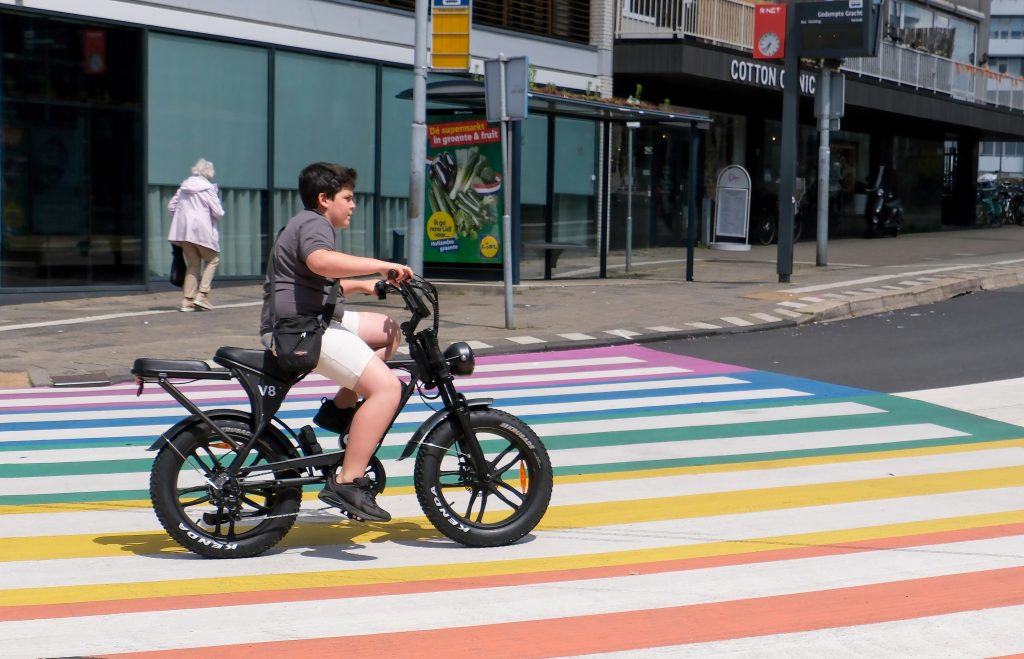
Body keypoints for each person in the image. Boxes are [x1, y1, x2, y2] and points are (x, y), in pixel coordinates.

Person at [260, 162, 413, 522]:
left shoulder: (307, 223)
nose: (353, 204)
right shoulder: (314, 224)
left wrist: (364, 286)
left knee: (388, 329)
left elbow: (316, 281)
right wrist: (380, 265)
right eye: (348, 198)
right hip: (300, 330)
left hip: (313, 320)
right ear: (324, 199)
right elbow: (321, 262)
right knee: (388, 389)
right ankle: (348, 480)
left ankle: (341, 412)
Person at [167, 158, 225, 312]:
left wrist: (182, 218)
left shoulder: (184, 187)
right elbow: (218, 212)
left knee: (193, 263)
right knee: (213, 259)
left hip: (184, 232)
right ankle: (202, 295)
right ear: (209, 172)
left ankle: (187, 300)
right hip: (202, 230)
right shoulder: (208, 189)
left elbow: (171, 206)